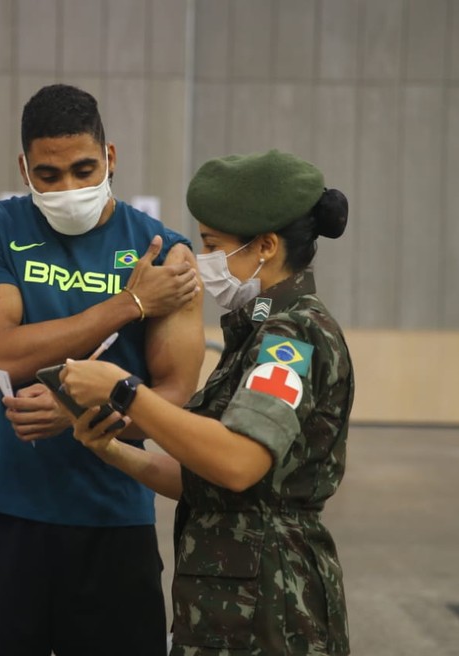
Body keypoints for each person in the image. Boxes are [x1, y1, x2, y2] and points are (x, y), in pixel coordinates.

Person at [0, 84, 205, 656]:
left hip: (113, 526)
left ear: (110, 158)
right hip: (1, 515)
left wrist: (75, 410)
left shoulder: (163, 253)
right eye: (49, 174)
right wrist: (128, 306)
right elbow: (3, 356)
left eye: (84, 168)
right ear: (24, 168)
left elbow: (176, 396)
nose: (69, 188)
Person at [60, 149, 354, 655]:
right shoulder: (257, 331)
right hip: (228, 614)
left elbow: (238, 462)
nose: (202, 261)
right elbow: (208, 480)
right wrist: (111, 450)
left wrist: (124, 390)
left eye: (213, 245)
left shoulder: (292, 337)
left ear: (265, 245)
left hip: (270, 617)